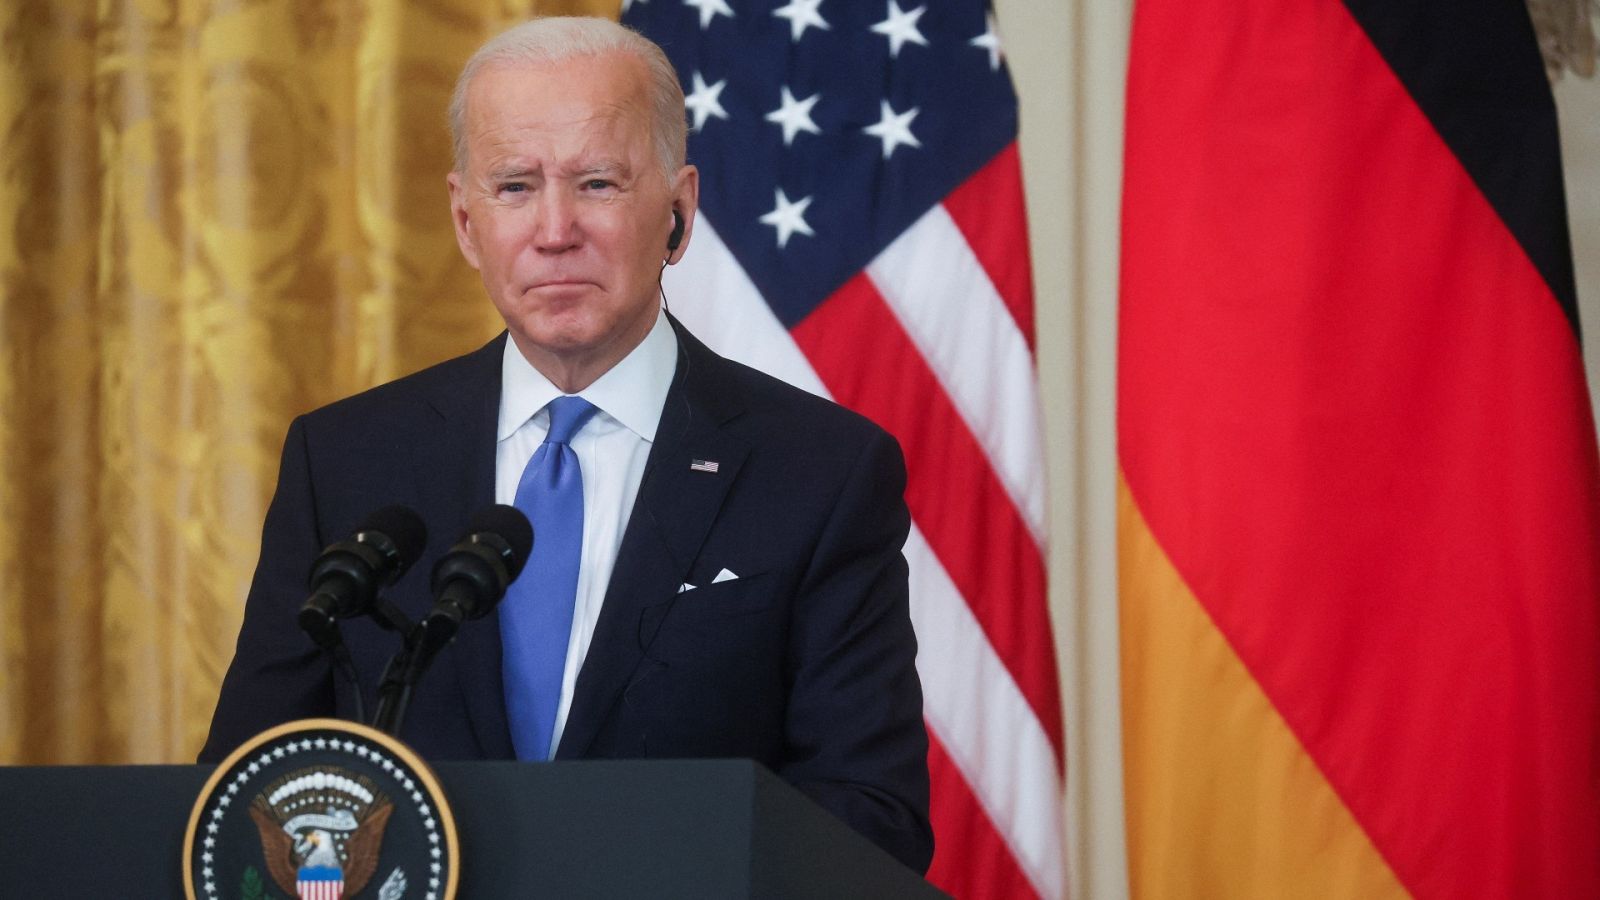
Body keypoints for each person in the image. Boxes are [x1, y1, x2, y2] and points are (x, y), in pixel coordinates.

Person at [200, 16, 933, 873]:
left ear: (678, 213)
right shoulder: (346, 461)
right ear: (467, 222)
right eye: (514, 186)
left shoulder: (821, 473)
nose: (555, 230)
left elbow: (871, 817)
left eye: (596, 183)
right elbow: (244, 785)